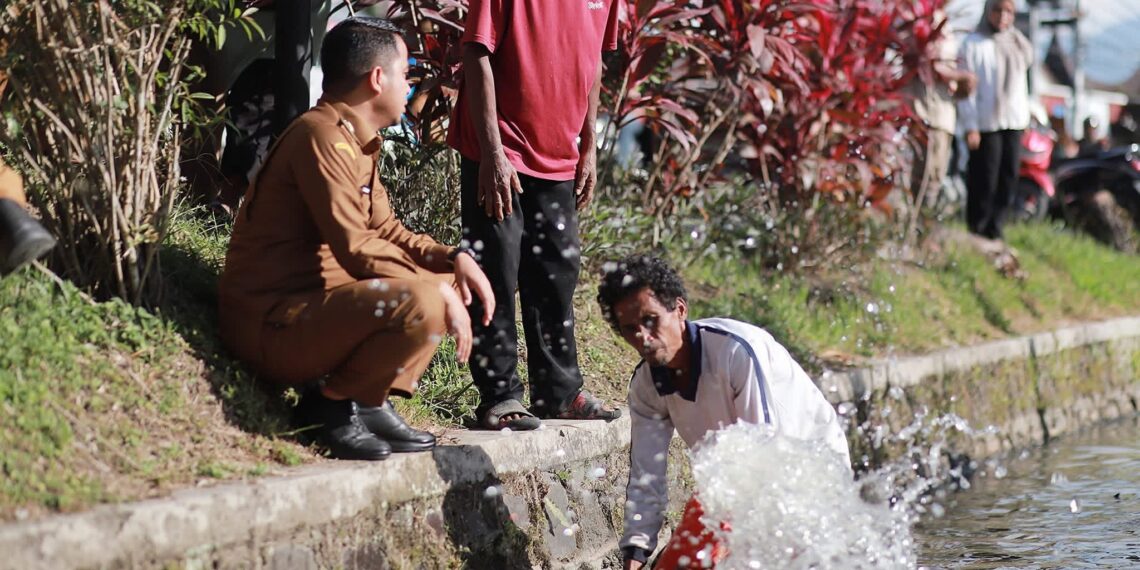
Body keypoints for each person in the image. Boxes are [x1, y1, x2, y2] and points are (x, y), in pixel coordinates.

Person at [218, 16, 495, 461]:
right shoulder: (322, 137)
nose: (410, 87)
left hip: (312, 311)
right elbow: (354, 246)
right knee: (424, 300)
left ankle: (366, 399)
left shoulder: (353, 139)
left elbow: (386, 231)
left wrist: (452, 259)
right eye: (407, 74)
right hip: (269, 325)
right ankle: (327, 407)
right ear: (377, 78)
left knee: (437, 282)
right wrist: (435, 289)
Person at [596, 255, 851, 569]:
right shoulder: (646, 388)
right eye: (630, 329)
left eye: (651, 321)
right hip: (734, 485)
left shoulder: (735, 352)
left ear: (679, 311)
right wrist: (635, 556)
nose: (643, 338)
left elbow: (765, 461)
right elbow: (646, 480)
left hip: (806, 469)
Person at [447, 0, 623, 431]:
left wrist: (589, 146)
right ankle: (500, 395)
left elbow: (593, 60)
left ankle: (559, 393)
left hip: (560, 153)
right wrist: (492, 153)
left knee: (557, 270)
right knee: (496, 269)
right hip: (500, 151)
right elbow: (477, 52)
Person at [957, 0, 1033, 241]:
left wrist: (1026, 118)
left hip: (1014, 121)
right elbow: (966, 90)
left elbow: (1022, 87)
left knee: (1008, 175)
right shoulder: (973, 44)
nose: (1002, 16)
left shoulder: (1017, 43)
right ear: (988, 12)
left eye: (1008, 11)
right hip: (985, 123)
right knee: (985, 176)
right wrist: (970, 125)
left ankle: (996, 227)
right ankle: (977, 226)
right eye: (998, 10)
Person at [909, 10, 976, 216]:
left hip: (944, 113)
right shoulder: (923, 19)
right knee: (925, 175)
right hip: (927, 111)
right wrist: (960, 77)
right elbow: (930, 64)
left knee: (936, 175)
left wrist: (960, 85)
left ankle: (922, 227)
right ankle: (915, 227)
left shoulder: (945, 22)